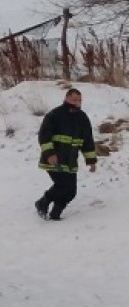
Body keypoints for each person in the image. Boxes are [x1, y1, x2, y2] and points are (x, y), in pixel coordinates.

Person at [35, 88, 97, 220]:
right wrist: (50, 154)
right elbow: (44, 136)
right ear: (66, 98)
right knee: (63, 185)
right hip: (54, 158)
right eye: (74, 99)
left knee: (71, 191)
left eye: (79, 100)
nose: (77, 102)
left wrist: (91, 160)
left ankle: (56, 213)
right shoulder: (55, 114)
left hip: (70, 160)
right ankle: (42, 203)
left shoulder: (83, 117)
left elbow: (87, 140)